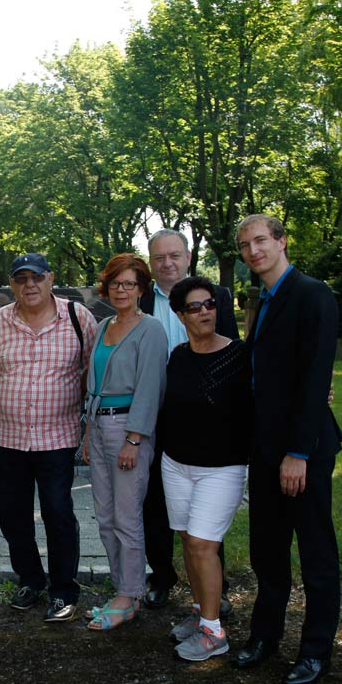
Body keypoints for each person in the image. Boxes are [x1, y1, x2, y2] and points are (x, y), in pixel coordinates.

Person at [232, 214, 342, 684]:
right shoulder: (263, 299)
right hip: (264, 445)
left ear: (281, 240)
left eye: (261, 240)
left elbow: (316, 377)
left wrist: (298, 453)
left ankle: (316, 650)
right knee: (268, 550)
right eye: (244, 245)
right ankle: (265, 636)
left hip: (305, 448)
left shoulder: (312, 294)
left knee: (315, 552)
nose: (253, 250)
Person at [0, 253, 97, 623]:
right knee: (12, 516)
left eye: (37, 277)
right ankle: (30, 579)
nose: (29, 285)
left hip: (57, 438)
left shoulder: (79, 319)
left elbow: (91, 370)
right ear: (12, 284)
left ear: (50, 279)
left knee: (59, 513)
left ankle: (64, 589)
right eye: (21, 279)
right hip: (8, 437)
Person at [138, 229, 238, 612]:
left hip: (205, 416)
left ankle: (217, 586)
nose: (168, 263)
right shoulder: (140, 298)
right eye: (160, 257)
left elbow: (233, 353)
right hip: (154, 413)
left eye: (174, 255)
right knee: (155, 503)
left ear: (188, 256)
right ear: (151, 262)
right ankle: (161, 576)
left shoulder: (216, 298)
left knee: (208, 504)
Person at [159, 276, 252, 661]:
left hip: (222, 467)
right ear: (180, 315)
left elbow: (273, 392)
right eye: (194, 307)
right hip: (177, 464)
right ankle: (201, 613)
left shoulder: (240, 355)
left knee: (202, 544)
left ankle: (215, 633)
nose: (204, 313)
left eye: (210, 304)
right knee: (186, 539)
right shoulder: (179, 355)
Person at [82, 253, 168, 631]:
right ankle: (121, 589)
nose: (121, 289)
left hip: (127, 430)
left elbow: (151, 388)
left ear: (142, 289)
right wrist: (87, 433)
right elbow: (93, 385)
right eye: (116, 282)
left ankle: (129, 595)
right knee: (104, 517)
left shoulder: (150, 330)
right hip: (98, 428)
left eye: (129, 283)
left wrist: (134, 440)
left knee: (127, 518)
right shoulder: (103, 327)